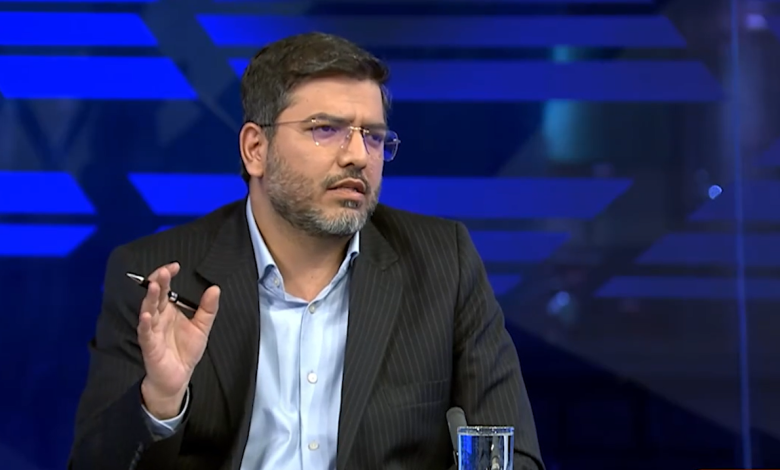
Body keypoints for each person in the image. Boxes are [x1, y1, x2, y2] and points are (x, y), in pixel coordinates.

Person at [68, 32, 544, 470]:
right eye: (326, 129)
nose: (358, 155)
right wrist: (160, 401)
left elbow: (513, 456)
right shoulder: (158, 277)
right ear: (255, 149)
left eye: (373, 136)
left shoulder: (444, 265)